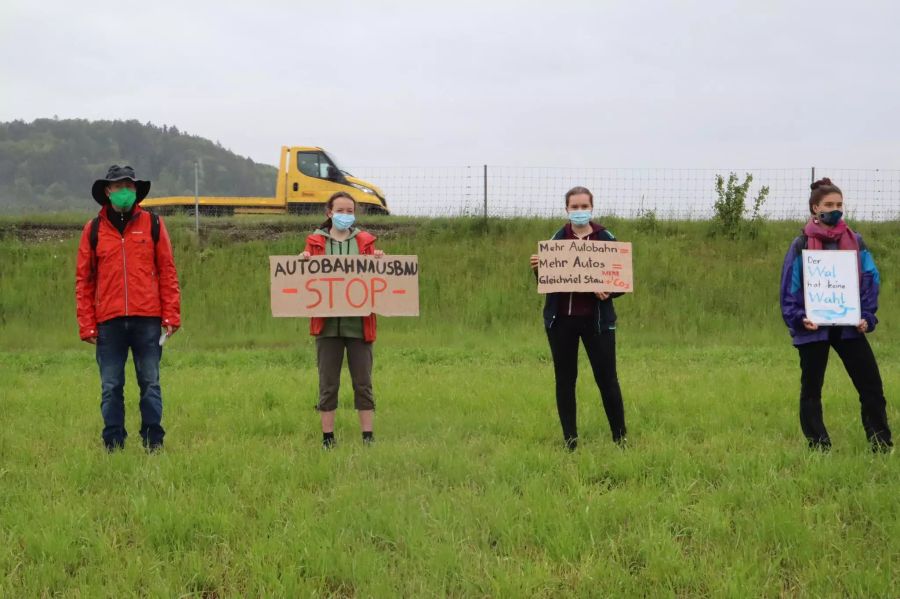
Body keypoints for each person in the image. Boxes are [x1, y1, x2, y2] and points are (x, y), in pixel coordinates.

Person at [780, 178, 892, 452]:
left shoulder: (856, 241)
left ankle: (880, 443)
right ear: (815, 208)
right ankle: (818, 446)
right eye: (829, 204)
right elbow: (790, 287)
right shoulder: (801, 244)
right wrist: (798, 318)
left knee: (871, 386)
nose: (835, 209)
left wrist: (867, 316)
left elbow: (869, 279)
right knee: (811, 390)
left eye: (839, 204)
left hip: (849, 327)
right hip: (813, 327)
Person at [75, 165, 181, 452]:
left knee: (150, 383)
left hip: (147, 319)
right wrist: (86, 322)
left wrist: (171, 314)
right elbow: (84, 280)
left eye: (130, 186)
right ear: (107, 191)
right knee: (111, 386)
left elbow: (167, 271)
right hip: (108, 321)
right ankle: (113, 443)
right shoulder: (93, 229)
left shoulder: (154, 224)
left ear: (137, 191)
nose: (125, 191)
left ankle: (153, 442)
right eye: (119, 186)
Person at [530, 186, 628, 451]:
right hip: (561, 322)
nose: (580, 211)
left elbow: (621, 280)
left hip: (597, 323)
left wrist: (608, 291)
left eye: (584, 206)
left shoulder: (606, 238)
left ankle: (621, 439)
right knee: (565, 380)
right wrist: (539, 270)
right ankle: (570, 441)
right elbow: (548, 282)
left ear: (592, 208)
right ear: (567, 210)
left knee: (607, 379)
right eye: (575, 207)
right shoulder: (557, 239)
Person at [301, 192, 384, 448]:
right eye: (341, 210)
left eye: (350, 211)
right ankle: (328, 438)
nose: (345, 215)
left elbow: (376, 279)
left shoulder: (365, 242)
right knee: (328, 383)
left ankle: (367, 437)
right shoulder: (315, 242)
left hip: (359, 325)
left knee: (363, 382)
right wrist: (303, 262)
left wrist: (378, 261)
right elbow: (304, 281)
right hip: (327, 327)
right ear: (329, 213)